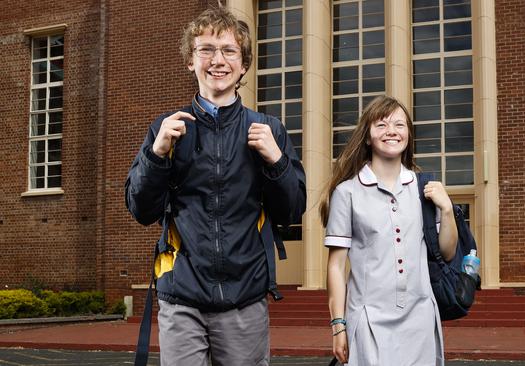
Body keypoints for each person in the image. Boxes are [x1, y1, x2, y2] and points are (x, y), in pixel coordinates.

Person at [124, 6, 306, 366]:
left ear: (243, 65)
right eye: (206, 49)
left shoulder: (269, 129)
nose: (217, 60)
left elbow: (291, 212)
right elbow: (141, 210)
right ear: (191, 61)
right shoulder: (168, 128)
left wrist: (277, 161)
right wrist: (157, 155)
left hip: (245, 298)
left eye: (228, 51)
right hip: (182, 297)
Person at [320, 96, 458, 365]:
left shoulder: (424, 190)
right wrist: (338, 325)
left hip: (420, 320)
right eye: (381, 125)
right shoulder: (346, 192)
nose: (391, 130)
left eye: (399, 124)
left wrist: (448, 210)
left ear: (408, 134)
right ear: (368, 137)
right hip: (369, 319)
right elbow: (336, 267)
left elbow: (448, 252)